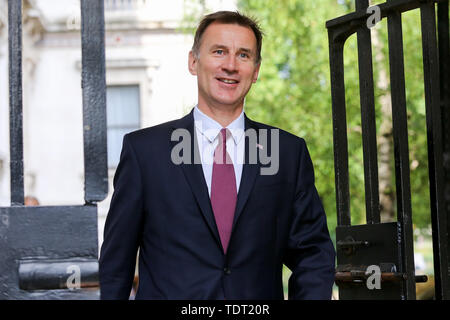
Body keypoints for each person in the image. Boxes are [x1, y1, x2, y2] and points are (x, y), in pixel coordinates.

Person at [99, 10, 335, 300]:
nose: (231, 65)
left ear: (257, 70)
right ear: (194, 62)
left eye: (244, 55)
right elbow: (116, 263)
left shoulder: (286, 153)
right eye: (219, 51)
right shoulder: (145, 152)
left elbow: (313, 253)